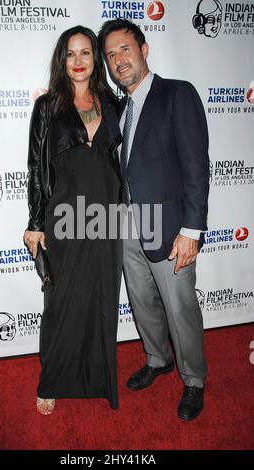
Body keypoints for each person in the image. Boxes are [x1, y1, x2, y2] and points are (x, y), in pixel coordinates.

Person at [98, 19, 209, 421]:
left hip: (171, 226)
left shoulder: (177, 94)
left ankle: (194, 379)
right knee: (142, 301)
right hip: (128, 223)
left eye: (124, 49)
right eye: (110, 55)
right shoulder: (119, 108)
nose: (117, 61)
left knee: (180, 307)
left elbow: (197, 167)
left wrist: (191, 231)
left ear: (144, 50)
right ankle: (158, 359)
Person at [24, 26, 122, 415]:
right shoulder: (48, 106)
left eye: (85, 53)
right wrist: (35, 222)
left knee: (100, 300)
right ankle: (52, 381)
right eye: (71, 54)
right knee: (61, 302)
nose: (78, 61)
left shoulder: (113, 102)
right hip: (64, 216)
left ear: (95, 58)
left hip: (107, 217)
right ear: (61, 60)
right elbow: (34, 167)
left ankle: (98, 379)